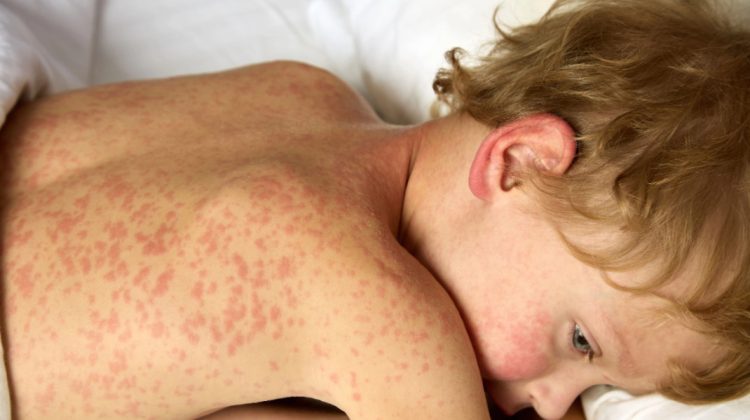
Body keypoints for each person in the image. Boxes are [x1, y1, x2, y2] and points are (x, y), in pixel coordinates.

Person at [1, 0, 748, 419]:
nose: (556, 408)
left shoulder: (303, 89)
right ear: (517, 162)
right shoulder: (390, 323)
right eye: (581, 343)